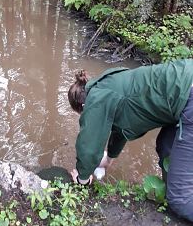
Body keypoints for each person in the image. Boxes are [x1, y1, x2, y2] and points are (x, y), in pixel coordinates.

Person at [68, 59, 193, 222]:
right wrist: (109, 160)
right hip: (184, 82)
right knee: (165, 146)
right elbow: (121, 129)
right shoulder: (108, 83)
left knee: (179, 199)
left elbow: (89, 145)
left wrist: (82, 178)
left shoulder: (95, 99)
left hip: (188, 98)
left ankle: (180, 197)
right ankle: (176, 188)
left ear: (83, 106)